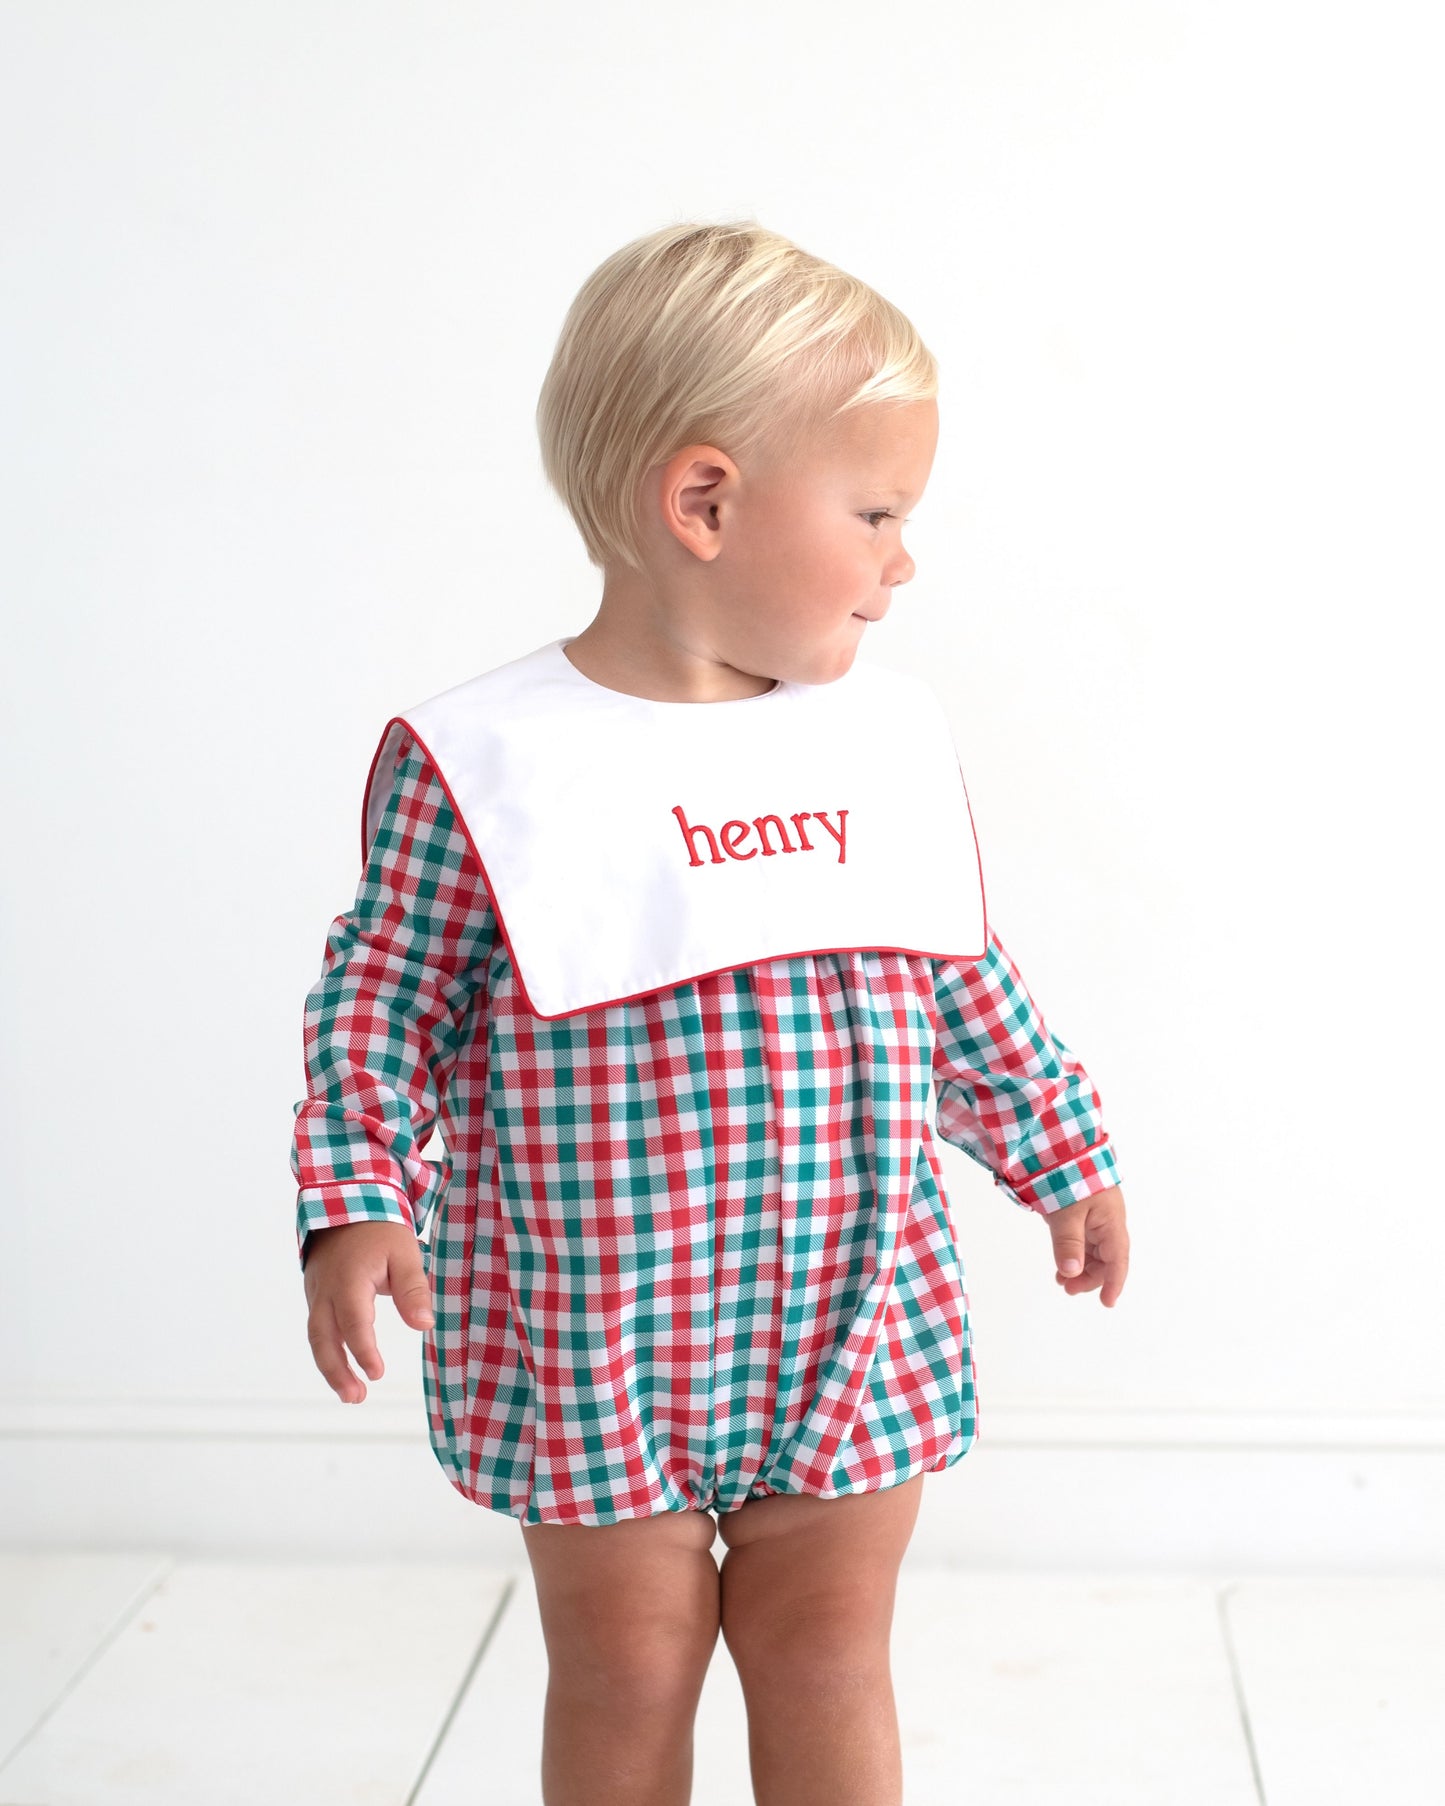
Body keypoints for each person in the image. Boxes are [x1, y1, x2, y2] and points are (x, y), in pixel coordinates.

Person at [291, 219, 1130, 1806]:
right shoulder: (487, 763)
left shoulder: (868, 742)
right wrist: (353, 1203)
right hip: (593, 1329)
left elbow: (957, 972)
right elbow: (379, 1003)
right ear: (704, 502)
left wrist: (1059, 1149)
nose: (903, 560)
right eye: (875, 511)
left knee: (828, 1659)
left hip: (848, 1313)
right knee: (626, 1673)